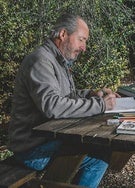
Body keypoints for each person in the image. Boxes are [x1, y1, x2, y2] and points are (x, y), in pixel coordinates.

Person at [8, 13, 119, 188]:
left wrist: (91, 94)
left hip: (47, 140)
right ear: (63, 34)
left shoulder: (58, 61)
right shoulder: (41, 61)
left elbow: (67, 96)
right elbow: (53, 106)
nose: (84, 47)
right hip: (32, 149)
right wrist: (101, 105)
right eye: (81, 40)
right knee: (98, 156)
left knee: (96, 146)